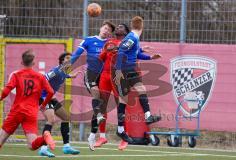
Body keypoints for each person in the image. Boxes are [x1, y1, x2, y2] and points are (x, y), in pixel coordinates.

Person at [96, 23, 162, 150]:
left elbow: (134, 53)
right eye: (118, 26)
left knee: (123, 102)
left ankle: (124, 134)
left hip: (123, 73)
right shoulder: (110, 42)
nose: (119, 27)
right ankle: (102, 136)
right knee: (105, 105)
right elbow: (101, 58)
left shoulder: (130, 41)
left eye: (122, 27)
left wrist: (147, 55)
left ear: (127, 32)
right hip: (112, 74)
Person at [114, 16, 161, 145]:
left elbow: (135, 54)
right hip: (124, 70)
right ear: (142, 27)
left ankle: (147, 117)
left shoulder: (134, 38)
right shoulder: (132, 37)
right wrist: (118, 71)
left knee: (139, 90)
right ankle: (121, 129)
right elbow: (121, 51)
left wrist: (150, 57)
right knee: (124, 98)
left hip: (130, 70)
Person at [70, 21, 115, 151]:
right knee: (95, 93)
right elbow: (76, 55)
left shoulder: (110, 43)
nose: (106, 31)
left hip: (105, 76)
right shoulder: (89, 40)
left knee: (101, 105)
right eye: (105, 28)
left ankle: (91, 135)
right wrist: (66, 68)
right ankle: (99, 116)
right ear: (101, 27)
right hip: (90, 73)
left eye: (109, 30)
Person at [0, 50, 55, 151]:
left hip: (17, 111)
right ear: (33, 63)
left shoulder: (16, 75)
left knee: (1, 139)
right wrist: (43, 105)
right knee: (32, 145)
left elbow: (6, 90)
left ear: (22, 62)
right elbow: (50, 92)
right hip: (31, 113)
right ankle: (44, 138)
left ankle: (44, 138)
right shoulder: (40, 77)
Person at [38, 52, 81, 157]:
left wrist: (72, 76)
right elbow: (43, 80)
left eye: (71, 59)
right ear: (62, 61)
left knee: (66, 117)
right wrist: (46, 95)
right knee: (51, 120)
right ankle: (43, 148)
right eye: (67, 58)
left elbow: (64, 75)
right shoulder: (56, 70)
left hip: (51, 97)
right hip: (43, 97)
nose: (69, 60)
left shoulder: (63, 71)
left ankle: (66, 147)